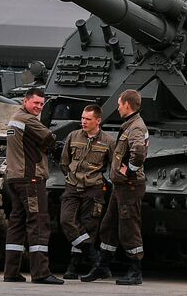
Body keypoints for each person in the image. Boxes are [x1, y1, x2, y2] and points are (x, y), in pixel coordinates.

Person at [82, 89, 148, 286]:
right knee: (108, 226)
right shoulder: (130, 124)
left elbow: (138, 151)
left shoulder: (135, 126)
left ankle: (136, 271)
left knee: (129, 228)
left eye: (119, 104)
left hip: (129, 185)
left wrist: (129, 171)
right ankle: (102, 266)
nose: (117, 107)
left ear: (127, 105)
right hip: (120, 186)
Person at [5, 87, 61, 284]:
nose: (38, 107)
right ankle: (41, 273)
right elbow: (50, 139)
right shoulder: (28, 120)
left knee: (17, 223)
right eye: (35, 103)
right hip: (30, 179)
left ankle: (11, 271)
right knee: (38, 222)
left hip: (14, 178)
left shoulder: (15, 118)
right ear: (25, 101)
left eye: (41, 104)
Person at [58, 104, 115, 279]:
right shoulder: (73, 136)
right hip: (73, 186)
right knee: (67, 221)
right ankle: (95, 257)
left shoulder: (108, 141)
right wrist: (73, 177)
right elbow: (64, 162)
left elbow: (113, 166)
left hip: (94, 188)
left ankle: (73, 267)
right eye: (82, 118)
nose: (83, 122)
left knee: (88, 226)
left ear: (98, 121)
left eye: (87, 119)